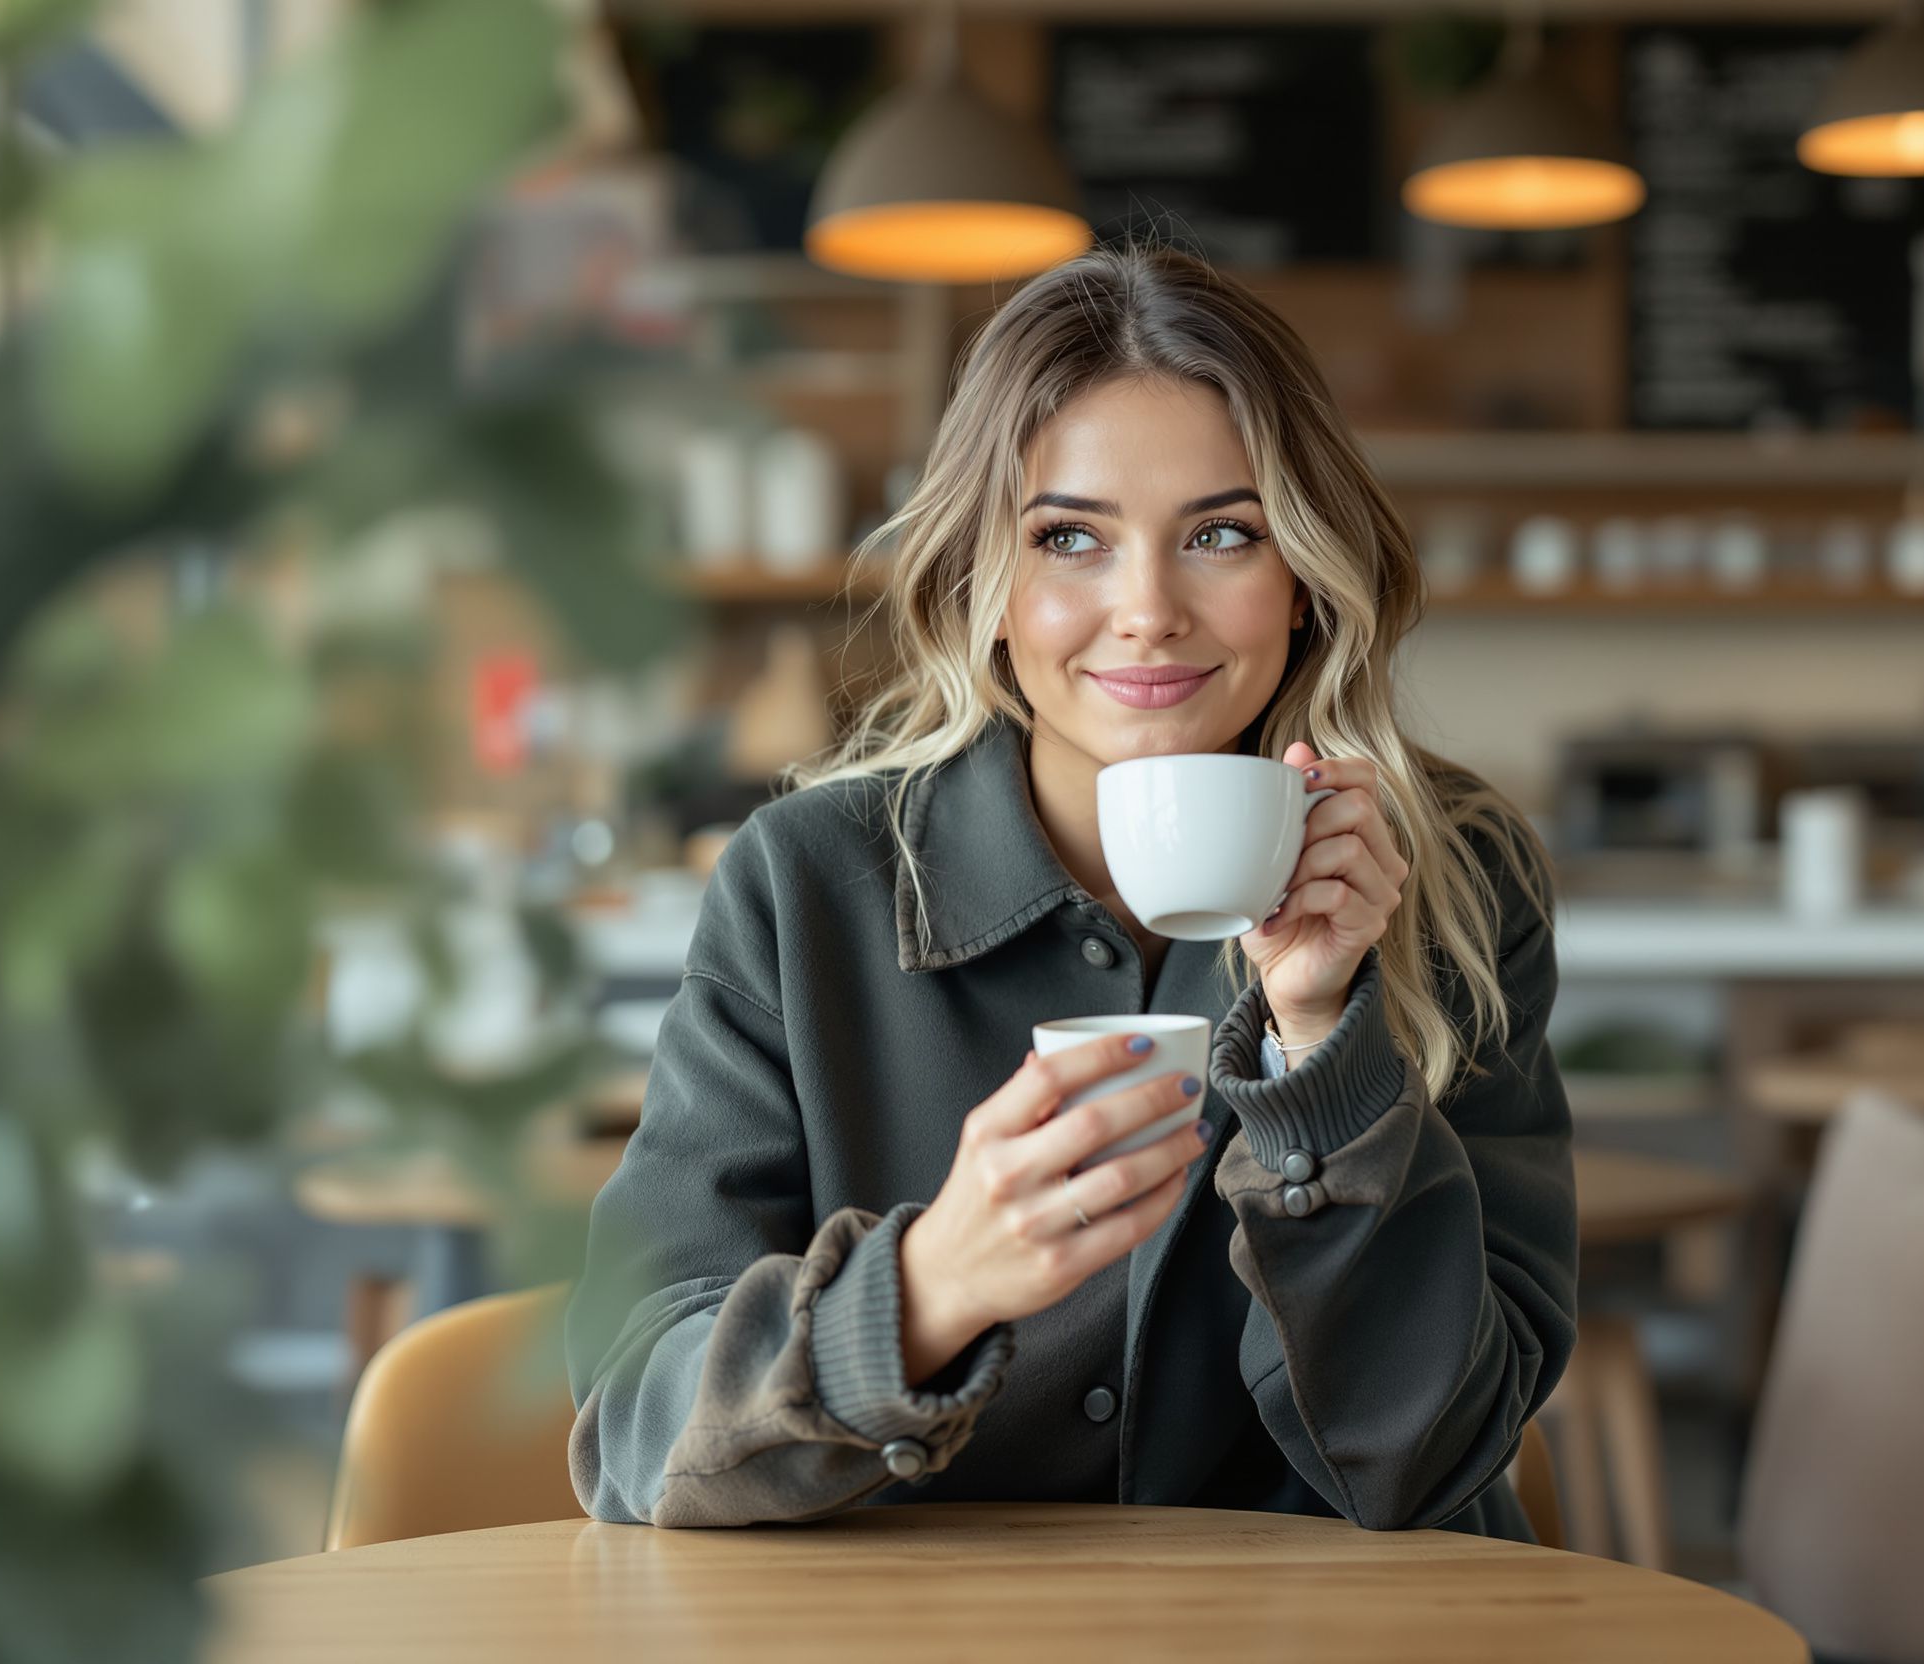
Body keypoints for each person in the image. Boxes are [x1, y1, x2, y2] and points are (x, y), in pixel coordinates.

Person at [565, 240, 1577, 1537]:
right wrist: (929, 1287)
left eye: (1222, 533)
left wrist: (1327, 1051)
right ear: (987, 588)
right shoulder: (806, 886)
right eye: (1069, 539)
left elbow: (1428, 1461)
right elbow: (634, 1427)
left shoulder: (1453, 874)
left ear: (1309, 582)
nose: (1146, 610)